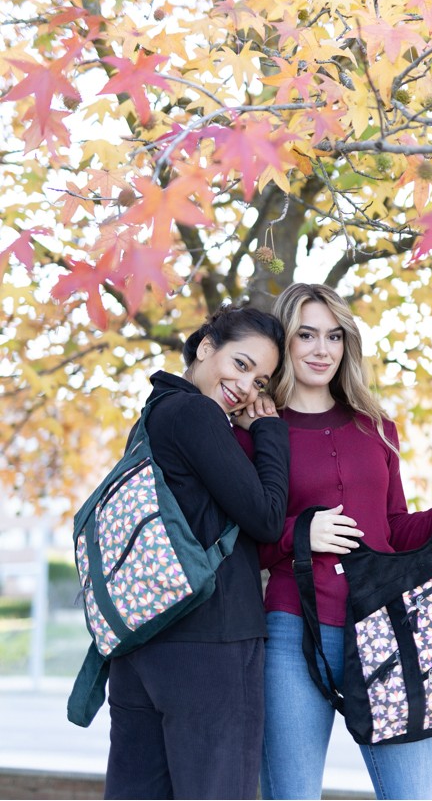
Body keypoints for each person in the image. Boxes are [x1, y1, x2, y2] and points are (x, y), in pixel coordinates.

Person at [236, 283, 432, 801]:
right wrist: (302, 534)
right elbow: (243, 543)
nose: (321, 349)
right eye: (306, 335)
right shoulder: (258, 430)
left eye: (333, 336)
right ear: (286, 341)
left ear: (347, 345)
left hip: (385, 631)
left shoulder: (377, 429)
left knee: (413, 795)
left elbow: (393, 530)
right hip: (292, 635)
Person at [104, 305, 290, 801]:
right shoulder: (196, 414)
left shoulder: (152, 415)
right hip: (212, 646)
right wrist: (270, 433)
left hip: (141, 645)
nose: (249, 389)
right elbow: (267, 518)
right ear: (207, 347)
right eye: (243, 364)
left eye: (262, 382)